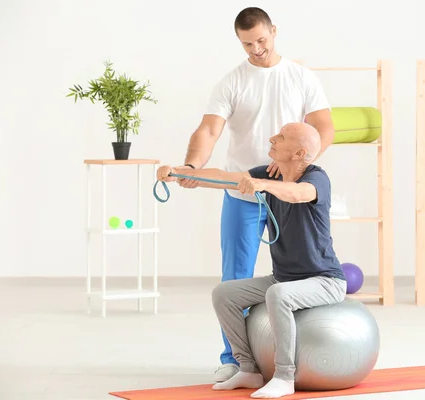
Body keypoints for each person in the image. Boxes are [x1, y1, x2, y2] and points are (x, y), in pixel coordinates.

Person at [171, 7, 335, 382]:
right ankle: (235, 360)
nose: (256, 49)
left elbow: (324, 129)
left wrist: (299, 164)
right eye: (247, 44)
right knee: (234, 281)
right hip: (244, 192)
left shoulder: (301, 77)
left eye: (261, 40)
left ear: (274, 31)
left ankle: (284, 362)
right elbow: (208, 131)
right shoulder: (232, 82)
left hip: (286, 192)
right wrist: (192, 167)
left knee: (299, 269)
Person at [157, 123, 347, 398]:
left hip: (324, 280)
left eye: (281, 137)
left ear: (299, 153)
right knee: (225, 293)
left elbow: (299, 194)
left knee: (278, 294)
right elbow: (224, 177)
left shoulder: (317, 178)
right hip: (284, 277)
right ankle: (248, 368)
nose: (272, 138)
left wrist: (263, 185)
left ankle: (284, 376)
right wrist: (182, 173)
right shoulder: (270, 174)